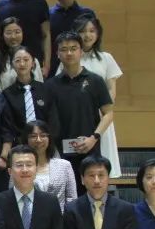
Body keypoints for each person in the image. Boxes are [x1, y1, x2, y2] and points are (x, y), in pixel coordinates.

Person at [57, 14, 123, 178]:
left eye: (92, 31)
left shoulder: (106, 58)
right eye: (82, 31)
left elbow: (111, 90)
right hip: (76, 117)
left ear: (98, 33)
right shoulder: (68, 57)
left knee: (101, 160)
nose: (87, 35)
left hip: (100, 117)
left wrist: (100, 113)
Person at [46, 31, 114, 186]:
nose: (69, 53)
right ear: (57, 54)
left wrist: (93, 138)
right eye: (64, 49)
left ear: (81, 51)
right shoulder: (50, 86)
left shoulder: (95, 81)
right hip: (60, 154)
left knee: (90, 191)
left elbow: (109, 113)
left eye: (73, 48)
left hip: (90, 149)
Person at [0, 46, 59, 157]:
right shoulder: (7, 94)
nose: (22, 64)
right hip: (20, 148)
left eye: (26, 60)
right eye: (18, 60)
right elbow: (8, 125)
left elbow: (53, 121)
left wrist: (46, 141)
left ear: (33, 63)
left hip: (46, 145)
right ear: (12, 65)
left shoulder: (46, 90)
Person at [22, 120, 76, 211]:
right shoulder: (19, 167)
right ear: (26, 140)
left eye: (43, 135)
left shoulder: (64, 165)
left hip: (60, 217)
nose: (38, 140)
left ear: (49, 138)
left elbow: (72, 199)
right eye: (33, 136)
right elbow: (13, 196)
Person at [48, 0, 93, 78]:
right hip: (54, 68)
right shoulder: (47, 15)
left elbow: (94, 40)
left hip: (84, 65)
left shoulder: (87, 13)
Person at [0, 18, 42, 90]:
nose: (13, 36)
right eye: (8, 33)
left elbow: (40, 88)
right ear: (2, 35)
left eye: (17, 32)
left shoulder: (33, 60)